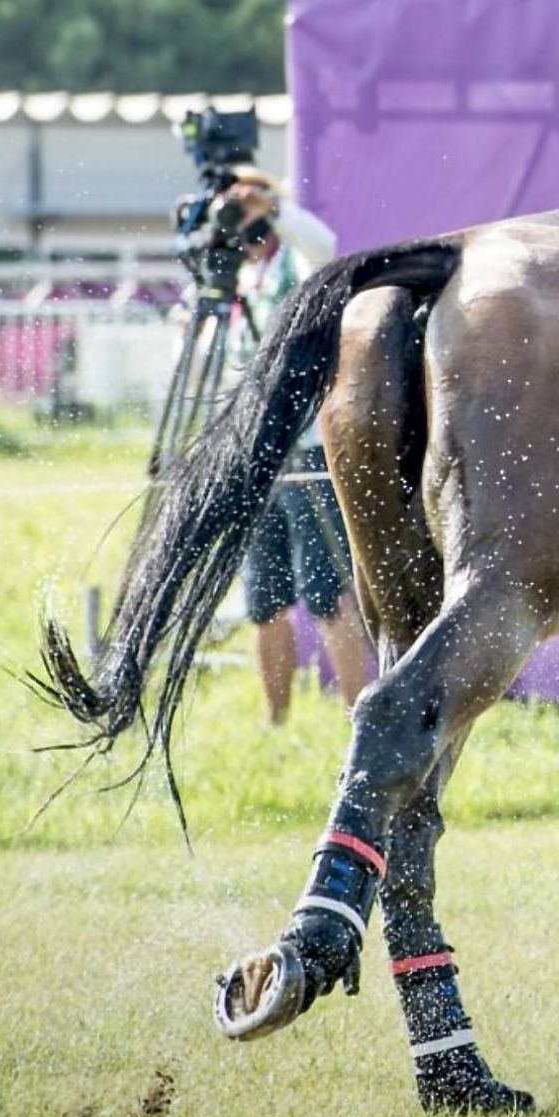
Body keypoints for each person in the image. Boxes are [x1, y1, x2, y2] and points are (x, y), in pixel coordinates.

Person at [219, 167, 372, 726]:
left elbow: (323, 246)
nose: (243, 228)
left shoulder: (295, 263)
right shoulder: (240, 278)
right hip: (256, 458)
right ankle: (275, 722)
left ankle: (361, 721)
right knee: (263, 600)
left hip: (307, 451)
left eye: (247, 215)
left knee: (329, 594)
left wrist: (271, 206)